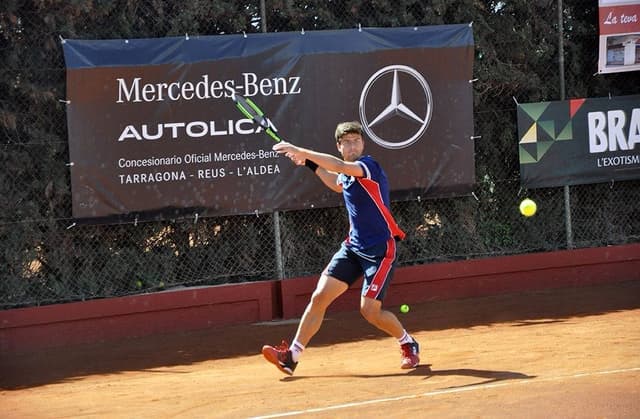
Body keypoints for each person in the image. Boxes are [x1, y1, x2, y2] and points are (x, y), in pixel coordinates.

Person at [261, 121, 420, 375]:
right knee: (319, 297)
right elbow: (336, 181)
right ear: (339, 145)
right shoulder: (347, 175)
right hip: (353, 248)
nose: (352, 145)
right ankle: (292, 356)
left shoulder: (368, 166)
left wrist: (302, 151)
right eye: (346, 141)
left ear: (363, 144)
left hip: (380, 250)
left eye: (356, 140)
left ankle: (407, 343)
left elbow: (339, 166)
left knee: (369, 311)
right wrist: (309, 164)